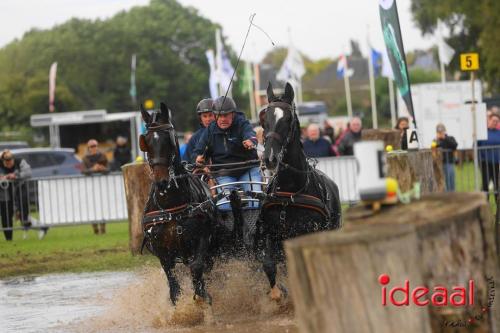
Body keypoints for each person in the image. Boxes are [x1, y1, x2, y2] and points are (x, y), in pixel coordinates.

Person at [194, 96, 260, 210]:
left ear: (233, 114)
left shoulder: (242, 123)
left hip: (248, 170)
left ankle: (256, 225)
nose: (223, 119)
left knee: (255, 202)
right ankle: (230, 227)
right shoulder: (210, 130)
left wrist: (250, 141)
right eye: (219, 116)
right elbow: (198, 151)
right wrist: (198, 158)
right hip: (224, 173)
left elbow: (250, 134)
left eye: (226, 115)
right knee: (223, 206)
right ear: (215, 116)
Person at [0, 150, 32, 241]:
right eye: (6, 162)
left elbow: (28, 173)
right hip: (5, 194)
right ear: (2, 161)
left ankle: (36, 226)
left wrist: (15, 176)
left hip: (19, 191)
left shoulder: (20, 161)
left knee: (23, 214)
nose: (9, 164)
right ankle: (8, 238)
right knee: (6, 215)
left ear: (13, 159)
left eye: (10, 161)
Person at [82, 139, 108, 234]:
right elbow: (83, 171)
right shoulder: (85, 158)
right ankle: (95, 229)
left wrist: (102, 168)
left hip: (102, 187)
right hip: (90, 187)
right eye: (91, 146)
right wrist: (93, 169)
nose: (93, 148)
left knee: (103, 206)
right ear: (88, 148)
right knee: (92, 207)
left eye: (95, 145)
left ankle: (103, 228)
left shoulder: (103, 156)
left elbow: (109, 169)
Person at [184, 98, 215, 163]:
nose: (208, 119)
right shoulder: (194, 138)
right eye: (204, 116)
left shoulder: (224, 132)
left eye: (210, 115)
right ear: (200, 118)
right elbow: (186, 162)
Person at [478, 112, 500, 201]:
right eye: (493, 120)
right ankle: (484, 205)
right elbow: (476, 146)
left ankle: (498, 207)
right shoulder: (483, 133)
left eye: (497, 121)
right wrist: (480, 160)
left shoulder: (499, 133)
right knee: (485, 184)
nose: (495, 122)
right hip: (485, 163)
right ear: (489, 120)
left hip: (497, 163)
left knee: (497, 185)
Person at [435, 123, 458, 191]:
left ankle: (452, 196)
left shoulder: (450, 138)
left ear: (445, 131)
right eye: (439, 132)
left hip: (449, 163)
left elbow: (454, 145)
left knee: (451, 181)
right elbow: (433, 148)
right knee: (442, 182)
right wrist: (437, 140)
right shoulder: (436, 140)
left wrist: (445, 138)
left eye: (442, 131)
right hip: (439, 165)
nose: (441, 133)